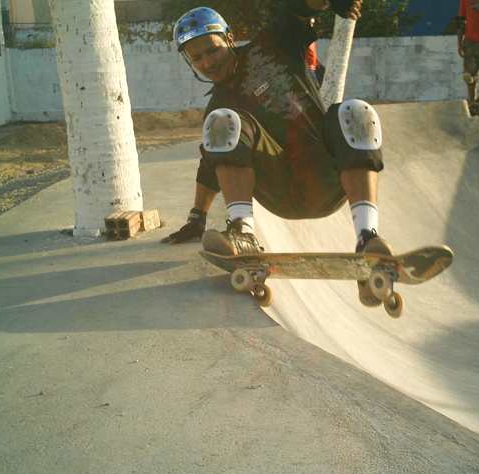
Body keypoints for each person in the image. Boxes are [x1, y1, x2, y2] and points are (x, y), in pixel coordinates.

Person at [161, 1, 391, 307]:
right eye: (197, 58)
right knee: (222, 120)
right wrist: (197, 217)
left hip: (327, 177)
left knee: (355, 111)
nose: (207, 62)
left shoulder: (271, 45)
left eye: (212, 50)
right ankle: (243, 233)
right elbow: (211, 167)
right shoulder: (219, 106)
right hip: (280, 190)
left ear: (230, 38)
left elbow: (298, 7)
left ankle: (367, 237)